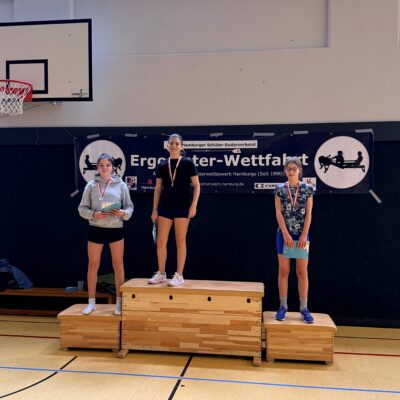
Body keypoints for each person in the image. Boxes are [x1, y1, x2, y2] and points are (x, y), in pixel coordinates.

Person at [78, 153, 134, 315]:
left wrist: (123, 213)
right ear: (97, 167)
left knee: (118, 265)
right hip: (96, 229)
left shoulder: (121, 185)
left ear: (113, 167)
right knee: (93, 265)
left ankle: (119, 302)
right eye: (101, 165)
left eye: (108, 165)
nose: (105, 168)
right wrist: (93, 214)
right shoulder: (91, 185)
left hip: (116, 229)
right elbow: (81, 209)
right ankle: (91, 302)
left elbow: (130, 207)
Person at [148, 134, 200, 286]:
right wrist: (155, 209)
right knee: (161, 241)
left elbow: (197, 186)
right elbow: (158, 189)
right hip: (165, 207)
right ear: (167, 146)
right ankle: (161, 273)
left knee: (180, 241)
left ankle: (179, 275)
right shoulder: (162, 165)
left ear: (181, 146)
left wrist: (194, 205)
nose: (174, 146)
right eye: (171, 143)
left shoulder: (188, 163)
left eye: (177, 143)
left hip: (183, 207)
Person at [274, 157, 314, 323]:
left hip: (301, 235)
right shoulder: (280, 189)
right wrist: (285, 233)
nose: (291, 171)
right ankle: (283, 306)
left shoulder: (307, 189)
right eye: (288, 169)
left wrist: (304, 234)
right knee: (284, 270)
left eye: (294, 169)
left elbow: (309, 213)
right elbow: (278, 212)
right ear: (285, 171)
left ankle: (304, 308)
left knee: (301, 271)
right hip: (284, 235)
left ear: (299, 171)